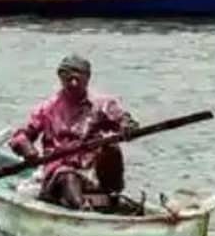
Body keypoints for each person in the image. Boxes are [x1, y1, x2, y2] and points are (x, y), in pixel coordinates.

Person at [8, 55, 138, 210]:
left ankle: (111, 197)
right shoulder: (48, 109)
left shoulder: (103, 105)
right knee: (67, 175)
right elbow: (20, 136)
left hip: (92, 171)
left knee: (112, 149)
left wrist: (128, 128)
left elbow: (124, 120)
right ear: (60, 78)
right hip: (60, 173)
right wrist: (29, 151)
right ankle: (82, 211)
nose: (73, 84)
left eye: (78, 78)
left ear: (87, 78)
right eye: (68, 79)